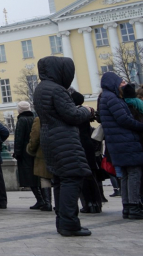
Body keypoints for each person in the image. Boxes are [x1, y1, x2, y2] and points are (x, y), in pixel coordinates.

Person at [33, 56, 95, 236]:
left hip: (50, 138)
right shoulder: (57, 90)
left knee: (60, 179)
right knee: (72, 178)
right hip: (64, 139)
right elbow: (72, 115)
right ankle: (69, 223)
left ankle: (63, 222)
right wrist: (86, 110)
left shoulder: (41, 88)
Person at [99, 71, 143, 220]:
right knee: (134, 173)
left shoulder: (106, 97)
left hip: (118, 142)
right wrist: (140, 125)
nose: (123, 85)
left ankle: (128, 207)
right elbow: (123, 119)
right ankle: (134, 206)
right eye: (121, 82)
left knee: (125, 174)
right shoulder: (112, 98)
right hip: (125, 141)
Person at [70, 91, 102, 213]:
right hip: (88, 145)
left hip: (79, 145)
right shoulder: (86, 112)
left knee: (83, 176)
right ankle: (96, 203)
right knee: (92, 175)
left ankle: (88, 203)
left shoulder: (74, 113)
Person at [12, 101, 42, 209]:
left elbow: (19, 138)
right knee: (39, 176)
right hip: (37, 152)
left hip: (25, 153)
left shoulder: (21, 120)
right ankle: (44, 199)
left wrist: (17, 152)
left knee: (29, 176)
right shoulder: (36, 118)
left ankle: (40, 199)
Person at [26, 112, 54, 212]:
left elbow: (35, 137)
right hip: (59, 150)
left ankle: (47, 203)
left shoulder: (40, 119)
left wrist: (30, 149)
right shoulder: (60, 116)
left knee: (45, 177)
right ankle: (59, 203)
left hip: (44, 151)